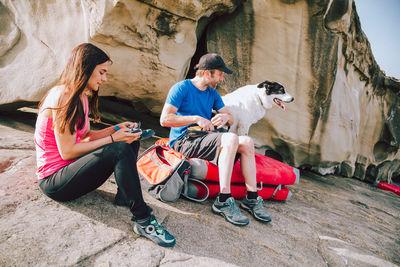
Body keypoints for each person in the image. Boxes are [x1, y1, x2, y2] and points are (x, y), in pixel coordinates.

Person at [34, 43, 175, 247]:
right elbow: (67, 151)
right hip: (55, 182)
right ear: (85, 68)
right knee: (119, 147)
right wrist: (113, 140)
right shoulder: (63, 95)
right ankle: (144, 221)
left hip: (71, 169)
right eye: (101, 72)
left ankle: (125, 196)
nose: (104, 78)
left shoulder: (80, 96)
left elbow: (86, 136)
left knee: (128, 138)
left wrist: (116, 130)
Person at [160, 53, 271, 226]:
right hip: (183, 141)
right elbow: (165, 119)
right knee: (231, 139)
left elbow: (229, 117)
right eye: (219, 74)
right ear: (207, 73)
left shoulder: (212, 94)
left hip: (204, 138)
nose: (221, 79)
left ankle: (251, 197)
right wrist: (196, 118)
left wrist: (226, 118)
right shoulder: (181, 88)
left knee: (247, 142)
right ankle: (224, 200)